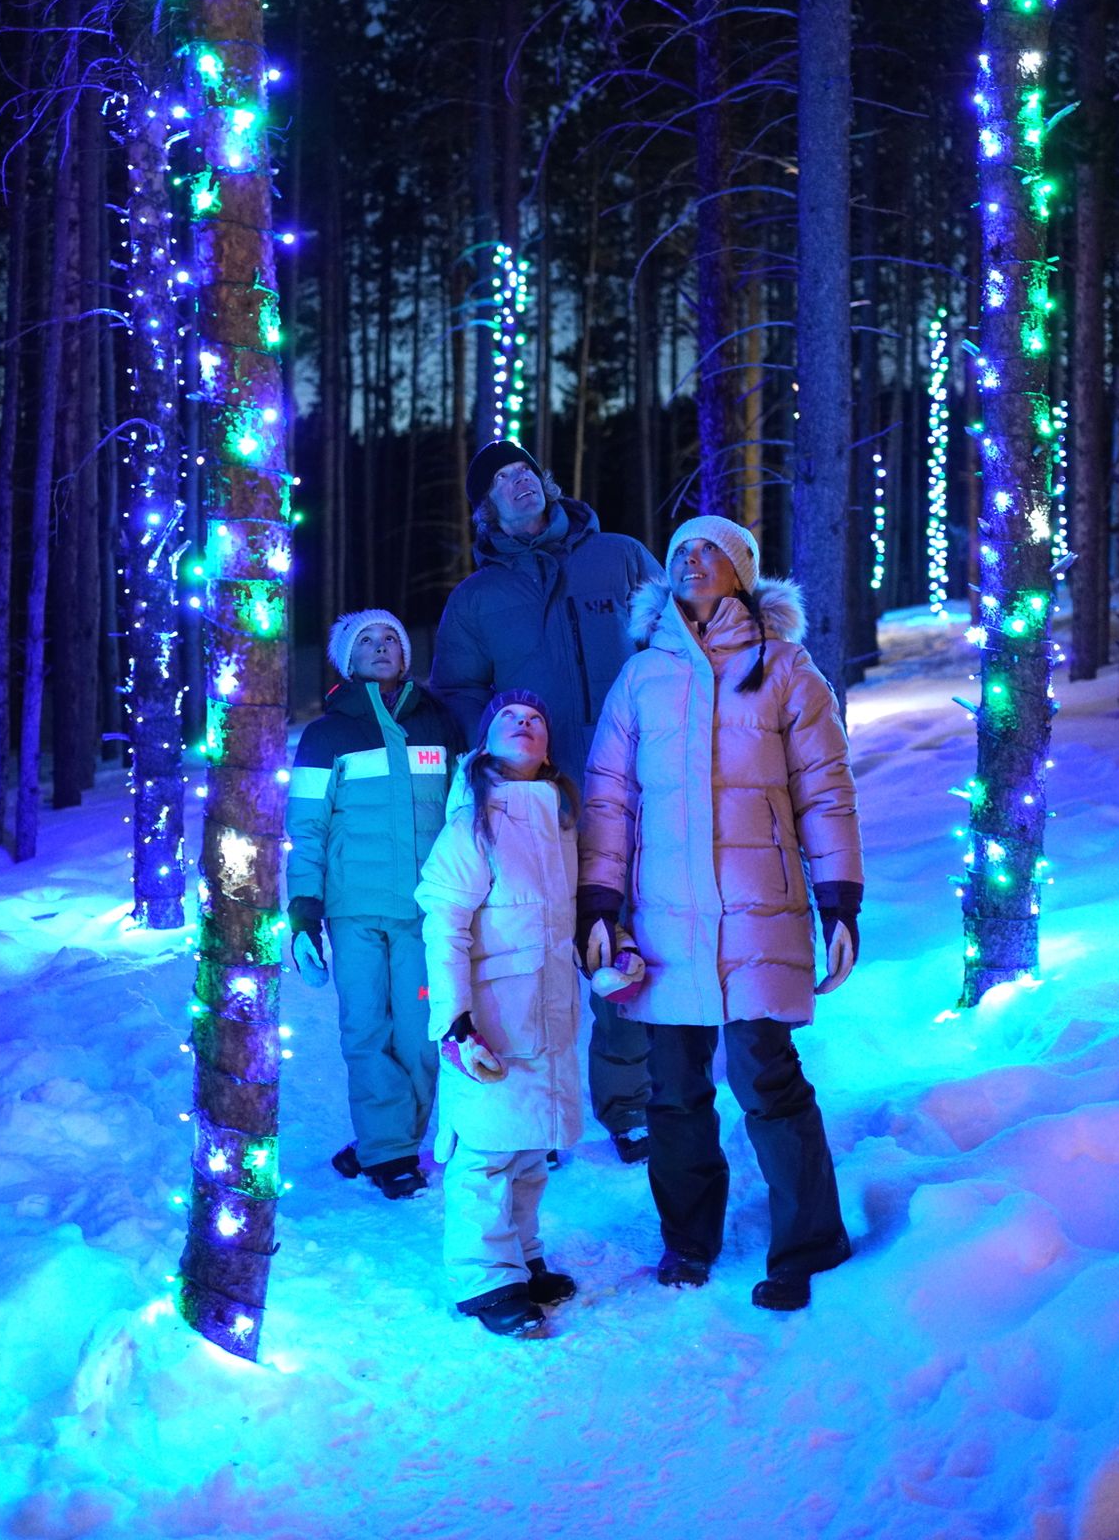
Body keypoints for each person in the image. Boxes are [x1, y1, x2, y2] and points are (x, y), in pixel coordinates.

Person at [577, 515, 864, 1311]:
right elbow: (607, 799)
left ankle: (810, 1243)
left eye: (709, 551)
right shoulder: (641, 677)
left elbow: (825, 792)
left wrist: (838, 899)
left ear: (742, 569)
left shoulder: (786, 669)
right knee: (672, 1091)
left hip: (756, 912)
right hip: (665, 921)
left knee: (765, 1079)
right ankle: (688, 1242)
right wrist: (600, 903)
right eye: (678, 552)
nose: (691, 562)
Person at [430, 439, 661, 1162]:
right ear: (488, 505)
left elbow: (675, 636)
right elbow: (459, 691)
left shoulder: (619, 557)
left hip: (631, 781)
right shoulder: (477, 599)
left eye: (526, 469)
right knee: (534, 956)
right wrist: (503, 752)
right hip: (538, 803)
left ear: (547, 479)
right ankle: (538, 1105)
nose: (519, 482)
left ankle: (629, 1103)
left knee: (621, 939)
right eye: (502, 479)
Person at [415, 690, 583, 1338]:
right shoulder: (471, 824)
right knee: (485, 1150)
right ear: (485, 745)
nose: (526, 723)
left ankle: (522, 1256)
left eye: (538, 719)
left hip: (547, 1012)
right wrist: (454, 1021)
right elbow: (445, 925)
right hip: (490, 1021)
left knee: (528, 1148)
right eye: (510, 718)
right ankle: (486, 1279)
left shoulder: (563, 823)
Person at [285, 609, 462, 1201]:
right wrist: (303, 911)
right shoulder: (326, 735)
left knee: (421, 1032)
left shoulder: (438, 721)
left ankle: (383, 1142)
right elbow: (306, 828)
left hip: (424, 911)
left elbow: (464, 816)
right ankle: (390, 1151)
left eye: (392, 638)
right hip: (353, 910)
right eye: (367, 640)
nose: (382, 647)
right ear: (346, 657)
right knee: (366, 1029)